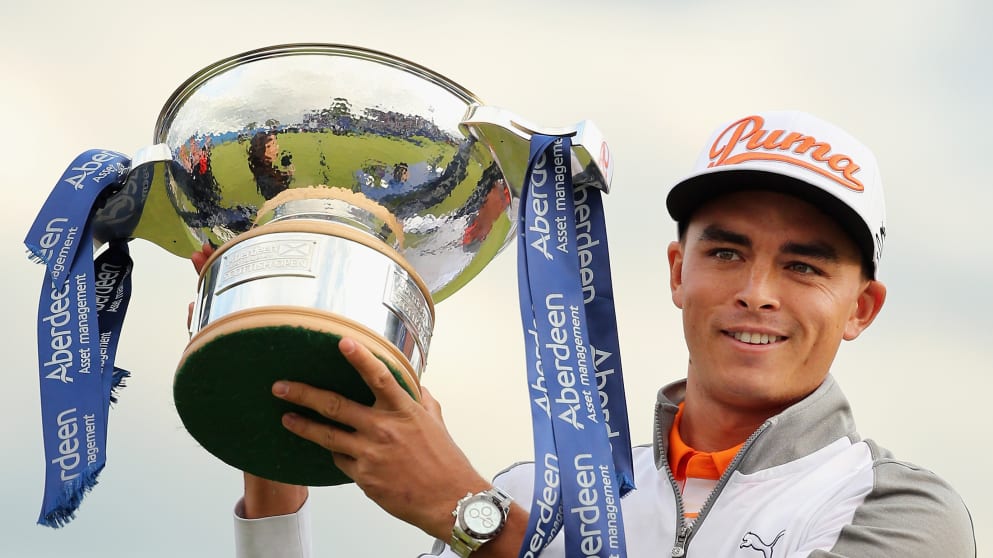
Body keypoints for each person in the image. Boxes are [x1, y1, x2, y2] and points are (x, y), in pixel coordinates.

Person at [223, 110, 976, 557]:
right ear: (677, 271)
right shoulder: (528, 493)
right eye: (725, 252)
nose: (756, 293)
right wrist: (271, 456)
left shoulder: (897, 511)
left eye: (804, 268)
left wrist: (474, 522)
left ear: (861, 308)